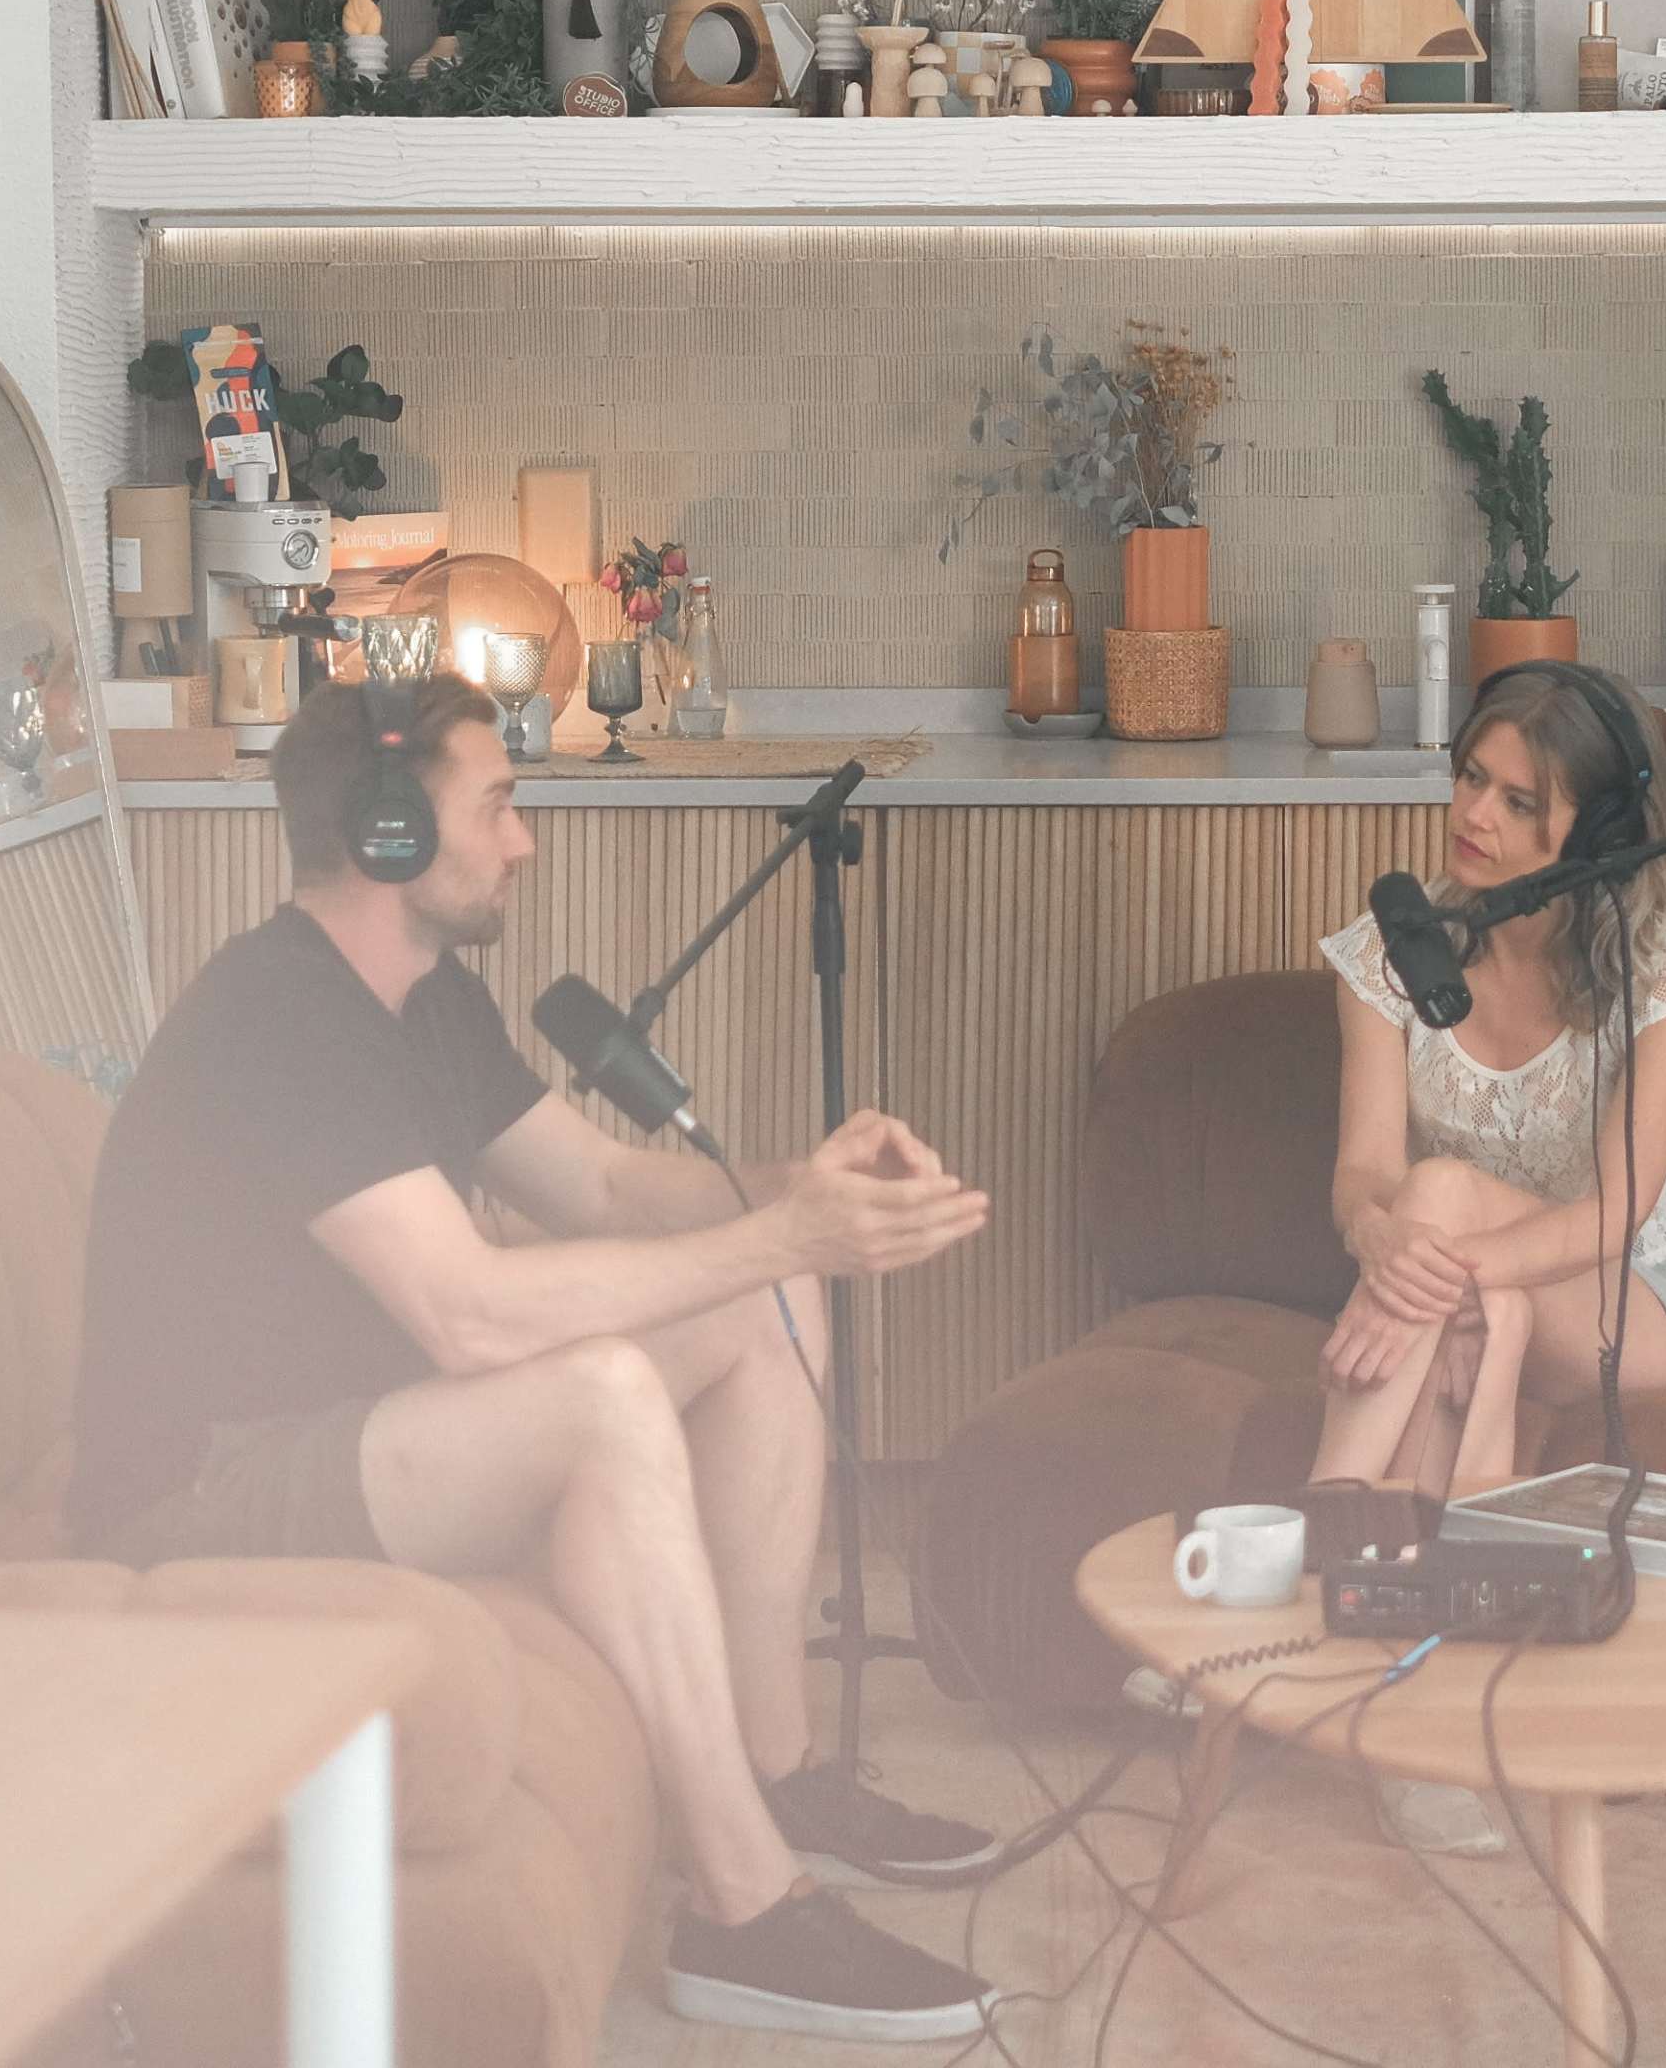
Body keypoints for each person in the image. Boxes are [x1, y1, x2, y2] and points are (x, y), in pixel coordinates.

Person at [66, 675, 1001, 2043]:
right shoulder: (283, 1018)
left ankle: (774, 1766)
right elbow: (471, 1316)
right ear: (389, 833)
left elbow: (608, 1192)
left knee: (772, 1295)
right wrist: (777, 1231)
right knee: (605, 1392)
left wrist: (802, 1194)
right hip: (202, 1490)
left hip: (358, 1424)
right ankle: (745, 1907)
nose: (524, 839)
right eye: (496, 803)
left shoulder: (421, 997)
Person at [1308, 662, 1666, 1853]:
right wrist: (1386, 1239)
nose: (1473, 818)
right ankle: (1436, 1733)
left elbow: (1612, 1215)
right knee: (1462, 1296)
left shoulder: (1658, 981)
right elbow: (1362, 1177)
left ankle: (1308, 1592)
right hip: (1476, 1306)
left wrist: (1441, 1249)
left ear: (1590, 832)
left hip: (1629, 1310)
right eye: (1469, 779)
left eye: (1517, 801)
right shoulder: (1392, 950)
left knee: (1448, 1218)